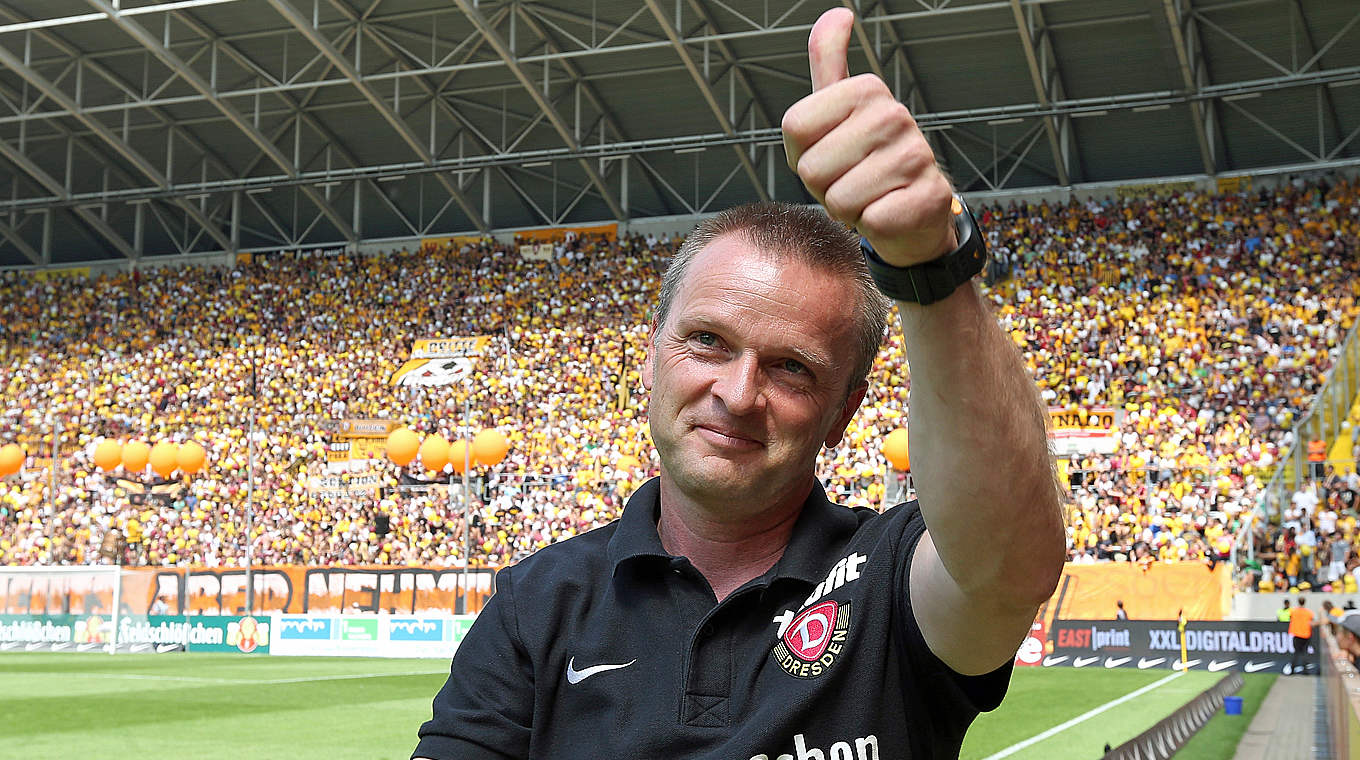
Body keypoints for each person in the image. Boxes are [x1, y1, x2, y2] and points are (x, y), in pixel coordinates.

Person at [411, 8, 1064, 760]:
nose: (738, 392)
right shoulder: (538, 603)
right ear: (651, 360)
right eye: (708, 342)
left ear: (844, 412)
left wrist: (928, 264)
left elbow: (1010, 570)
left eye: (792, 367)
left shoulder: (890, 572)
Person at [1287, 596, 1315, 675]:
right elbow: (1311, 620)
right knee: (1304, 653)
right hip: (1306, 635)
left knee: (1296, 653)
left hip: (1296, 634)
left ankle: (1292, 670)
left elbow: (1290, 617)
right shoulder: (1308, 612)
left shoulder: (1294, 611)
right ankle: (1305, 671)